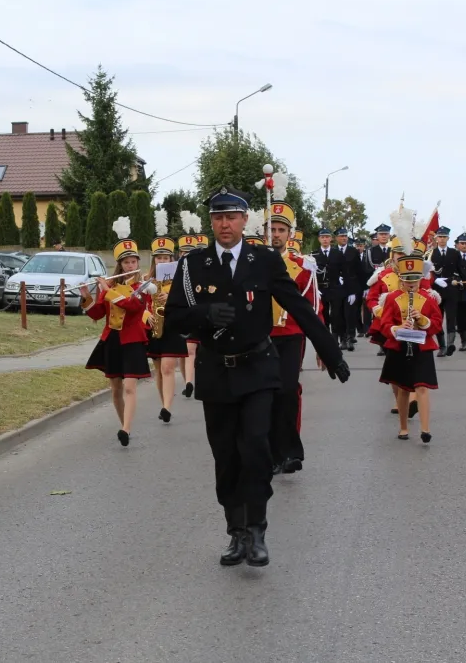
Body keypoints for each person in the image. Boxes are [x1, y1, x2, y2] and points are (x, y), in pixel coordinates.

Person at [164, 186, 350, 568]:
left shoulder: (264, 260)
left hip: (257, 369)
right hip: (216, 372)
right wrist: (205, 314)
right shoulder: (193, 265)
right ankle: (236, 533)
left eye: (231, 217)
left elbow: (298, 306)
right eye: (218, 217)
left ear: (244, 220)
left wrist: (330, 353)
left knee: (255, 448)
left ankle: (257, 530)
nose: (224, 224)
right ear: (211, 222)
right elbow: (174, 318)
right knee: (226, 456)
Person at [265, 189, 323, 476]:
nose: (276, 234)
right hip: (260, 337)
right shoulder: (252, 263)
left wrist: (323, 345)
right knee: (266, 393)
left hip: (291, 335)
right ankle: (270, 452)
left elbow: (313, 308)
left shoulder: (303, 268)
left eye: (281, 230)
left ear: (289, 234)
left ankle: (289, 451)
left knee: (287, 390)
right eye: (272, 229)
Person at [82, 218, 154, 447]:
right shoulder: (110, 287)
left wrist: (107, 290)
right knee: (115, 389)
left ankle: (126, 428)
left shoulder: (144, 287)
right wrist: (86, 297)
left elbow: (133, 306)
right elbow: (97, 314)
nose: (131, 266)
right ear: (120, 265)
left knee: (130, 387)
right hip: (112, 340)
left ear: (138, 263)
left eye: (133, 262)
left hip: (132, 340)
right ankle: (125, 426)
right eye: (126, 262)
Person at [379, 250, 443, 443]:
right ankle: (403, 427)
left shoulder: (429, 298)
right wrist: (397, 328)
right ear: (401, 278)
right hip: (399, 346)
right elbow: (384, 324)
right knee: (403, 388)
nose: (411, 284)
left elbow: (437, 323)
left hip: (421, 347)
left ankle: (425, 429)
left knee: (422, 387)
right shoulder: (392, 298)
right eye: (408, 280)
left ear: (420, 279)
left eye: (415, 280)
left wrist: (422, 320)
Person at [146, 212, 186, 423]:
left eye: (166, 258)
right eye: (159, 257)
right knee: (159, 370)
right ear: (154, 259)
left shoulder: (180, 280)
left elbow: (188, 302)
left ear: (172, 260)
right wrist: (146, 314)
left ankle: (167, 407)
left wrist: (171, 297)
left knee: (168, 367)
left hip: (172, 326)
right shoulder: (146, 279)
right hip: (155, 327)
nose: (162, 261)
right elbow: (139, 305)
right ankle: (164, 404)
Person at [176, 211, 204, 398]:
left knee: (192, 351)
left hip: (197, 315)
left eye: (189, 252)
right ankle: (188, 381)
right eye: (183, 252)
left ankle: (190, 382)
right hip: (182, 315)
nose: (186, 256)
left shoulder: (203, 270)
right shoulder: (173, 270)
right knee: (187, 352)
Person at [429, 226, 460, 357]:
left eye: (444, 237)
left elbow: (460, 270)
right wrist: (435, 280)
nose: (442, 239)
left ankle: (450, 344)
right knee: (438, 318)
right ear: (436, 238)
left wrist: (463, 286)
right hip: (436, 289)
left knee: (451, 317)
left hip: (451, 288)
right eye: (440, 237)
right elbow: (427, 272)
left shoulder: (454, 253)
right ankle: (442, 345)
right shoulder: (430, 253)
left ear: (448, 238)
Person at [312, 227, 345, 340]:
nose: (325, 239)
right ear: (319, 239)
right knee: (324, 313)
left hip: (335, 287)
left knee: (336, 314)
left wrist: (342, 279)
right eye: (322, 237)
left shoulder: (337, 253)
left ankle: (336, 337)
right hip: (321, 288)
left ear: (331, 238)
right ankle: (327, 338)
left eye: (327, 237)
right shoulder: (314, 254)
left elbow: (343, 269)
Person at [334, 227, 361, 351]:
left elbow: (358, 270)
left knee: (350, 314)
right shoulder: (334, 251)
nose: (344, 238)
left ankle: (350, 338)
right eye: (341, 236)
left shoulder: (353, 251)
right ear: (336, 238)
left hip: (351, 288)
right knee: (338, 314)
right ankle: (343, 339)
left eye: (345, 236)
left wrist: (357, 290)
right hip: (337, 288)